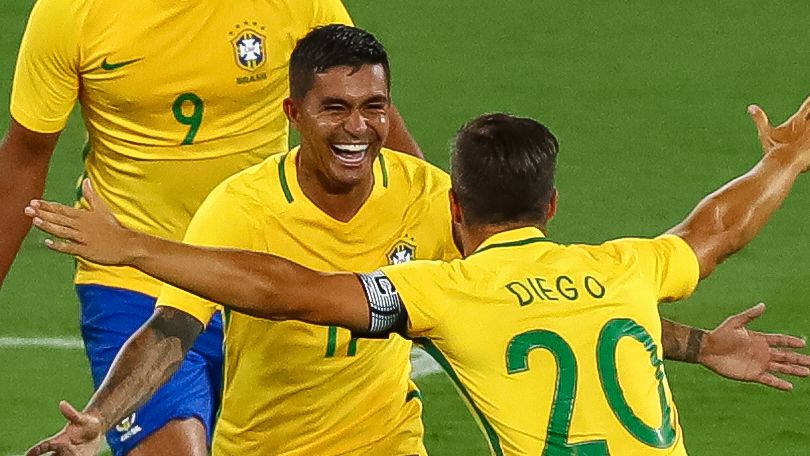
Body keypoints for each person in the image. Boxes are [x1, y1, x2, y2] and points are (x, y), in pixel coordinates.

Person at [24, 98, 810, 455]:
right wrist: (788, 156)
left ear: (454, 207)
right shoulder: (623, 268)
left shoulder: (442, 292)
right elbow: (720, 230)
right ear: (555, 203)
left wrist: (134, 247)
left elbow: (280, 286)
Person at [0, 1, 424, 455]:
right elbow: (24, 157)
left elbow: (362, 103)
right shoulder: (72, 13)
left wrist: (435, 224)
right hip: (134, 274)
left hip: (270, 280)